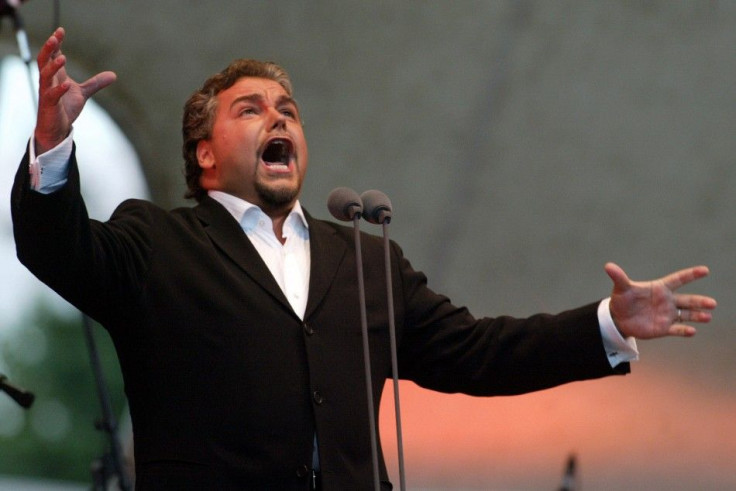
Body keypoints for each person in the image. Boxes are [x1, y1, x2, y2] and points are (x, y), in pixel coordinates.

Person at [12, 28, 717, 491]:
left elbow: (478, 351)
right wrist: (49, 146)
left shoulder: (362, 258)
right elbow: (59, 249)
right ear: (204, 152)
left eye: (287, 108)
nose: (280, 117)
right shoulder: (156, 242)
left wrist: (606, 323)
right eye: (251, 109)